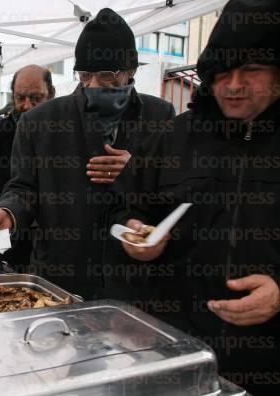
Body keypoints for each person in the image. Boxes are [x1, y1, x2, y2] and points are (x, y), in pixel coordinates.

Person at [109, 1, 280, 394]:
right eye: (223, 72)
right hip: (178, 351)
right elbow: (119, 209)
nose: (234, 85)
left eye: (252, 70)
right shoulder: (172, 139)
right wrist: (132, 233)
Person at [0, 8, 175, 299]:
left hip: (133, 282)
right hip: (60, 280)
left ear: (131, 70)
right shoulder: (39, 122)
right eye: (85, 75)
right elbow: (23, 187)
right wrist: (9, 211)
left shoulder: (160, 115)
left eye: (106, 76)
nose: (94, 85)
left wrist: (138, 170)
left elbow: (174, 189)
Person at [0, 64, 55, 270]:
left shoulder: (66, 135)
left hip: (58, 249)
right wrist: (5, 217)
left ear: (51, 94)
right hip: (11, 249)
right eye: (20, 98)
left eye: (36, 98)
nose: (27, 105)